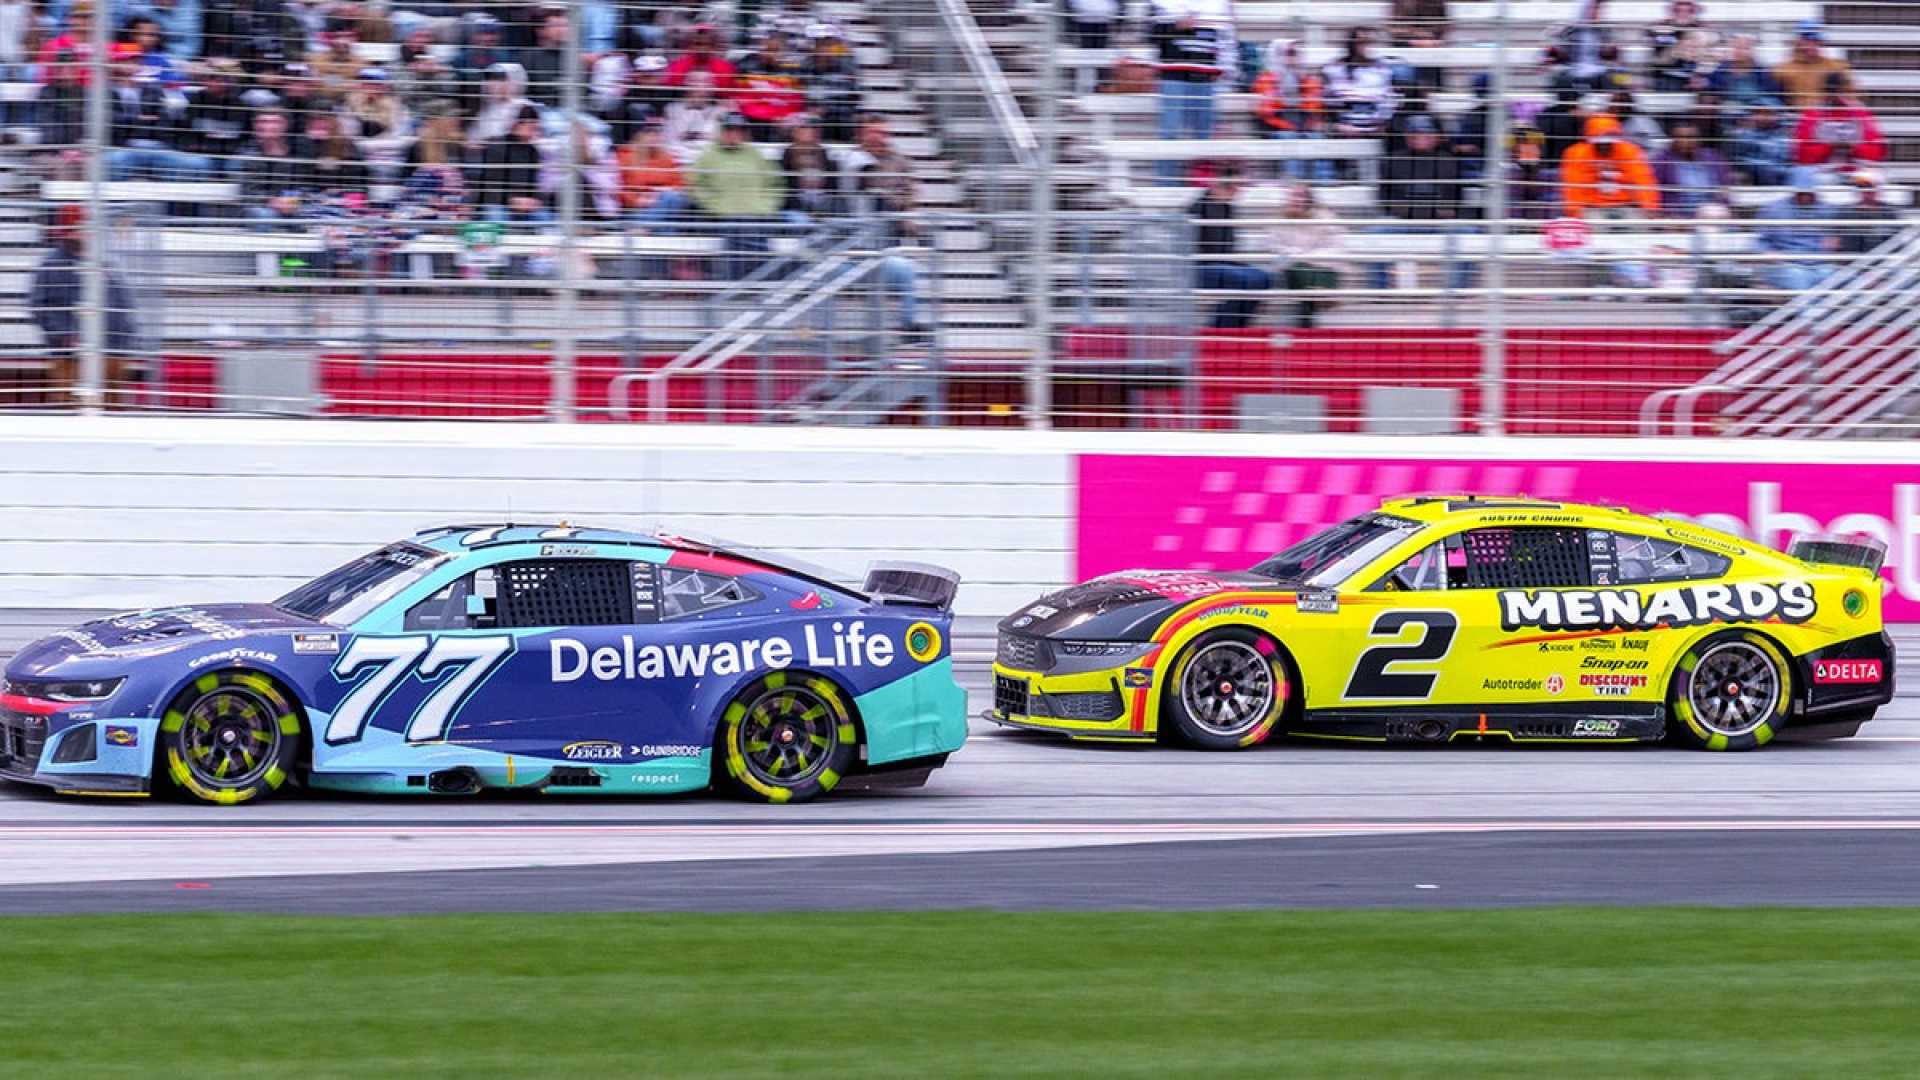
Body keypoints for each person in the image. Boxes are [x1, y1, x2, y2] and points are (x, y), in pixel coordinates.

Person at [29, 206, 139, 408]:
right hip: (71, 353)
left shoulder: (105, 261)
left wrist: (126, 334)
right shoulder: (52, 264)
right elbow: (39, 306)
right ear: (68, 231)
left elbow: (123, 300)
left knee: (113, 407)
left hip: (112, 348)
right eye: (80, 227)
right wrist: (64, 335)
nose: (87, 232)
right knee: (71, 407)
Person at [1374, 114, 1468, 291]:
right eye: (1415, 133)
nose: (1421, 137)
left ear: (1436, 136)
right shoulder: (1392, 161)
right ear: (1407, 136)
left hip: (1438, 222)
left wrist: (1440, 211)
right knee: (1374, 234)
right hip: (1403, 220)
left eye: (1427, 133)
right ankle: (1378, 291)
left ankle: (1457, 291)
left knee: (1470, 234)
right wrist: (1409, 211)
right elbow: (1384, 198)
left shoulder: (1448, 161)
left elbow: (1457, 199)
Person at [1149, 0, 1234, 182]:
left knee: (1204, 135)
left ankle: (1202, 183)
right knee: (1170, 133)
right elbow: (1151, 36)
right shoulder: (1161, 4)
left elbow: (1225, 38)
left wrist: (1223, 71)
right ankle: (1166, 185)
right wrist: (1176, 26)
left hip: (1205, 76)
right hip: (1173, 75)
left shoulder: (1216, 5)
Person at [691, 113, 782, 279]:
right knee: (741, 232)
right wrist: (715, 205)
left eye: (739, 130)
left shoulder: (755, 155)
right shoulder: (709, 155)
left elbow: (775, 184)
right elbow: (696, 185)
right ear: (722, 131)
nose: (734, 134)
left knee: (753, 232)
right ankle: (744, 283)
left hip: (756, 214)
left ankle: (753, 283)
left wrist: (766, 206)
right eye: (730, 130)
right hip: (722, 216)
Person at [1191, 162, 1270, 329]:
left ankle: (1238, 327)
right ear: (1224, 185)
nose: (1239, 192)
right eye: (1237, 187)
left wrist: (1242, 265)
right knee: (1242, 280)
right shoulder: (1198, 207)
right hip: (1200, 267)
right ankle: (1220, 328)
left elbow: (1228, 250)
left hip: (1222, 265)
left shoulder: (1228, 208)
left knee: (1263, 278)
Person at [1267, 181, 1342, 328]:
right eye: (1292, 196)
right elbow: (1275, 249)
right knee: (1295, 268)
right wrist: (1302, 257)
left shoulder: (1325, 217)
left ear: (1309, 199)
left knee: (1306, 270)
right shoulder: (1277, 221)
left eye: (1300, 195)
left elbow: (1335, 247)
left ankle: (1310, 304)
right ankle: (1318, 296)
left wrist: (1306, 258)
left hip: (1321, 269)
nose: (1295, 199)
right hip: (1293, 272)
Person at [1560, 114, 1659, 219]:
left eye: (1609, 142)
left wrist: (1650, 207)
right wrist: (1574, 213)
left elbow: (1643, 180)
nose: (1604, 146)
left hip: (1627, 206)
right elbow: (1572, 187)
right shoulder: (1575, 154)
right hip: (1591, 208)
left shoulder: (1630, 151)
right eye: (1599, 143)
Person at [1757, 168, 1838, 294]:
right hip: (1787, 263)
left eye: (1809, 192)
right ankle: (1809, 314)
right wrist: (1768, 252)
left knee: (1832, 276)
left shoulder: (1827, 209)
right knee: (1798, 278)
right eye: (1802, 192)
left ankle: (1818, 312)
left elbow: (1833, 237)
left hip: (1818, 263)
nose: (1806, 196)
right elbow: (1761, 241)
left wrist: (1832, 242)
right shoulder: (1773, 210)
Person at [1794, 71, 1887, 170]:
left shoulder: (1861, 113)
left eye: (1842, 91)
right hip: (1821, 172)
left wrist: (1854, 148)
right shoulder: (1812, 114)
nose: (1837, 96)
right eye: (1831, 91)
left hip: (1856, 171)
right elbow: (1802, 154)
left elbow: (1878, 151)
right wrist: (1829, 147)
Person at [474, 105, 548, 224]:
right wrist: (512, 200)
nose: (535, 132)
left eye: (536, 128)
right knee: (497, 216)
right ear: (518, 125)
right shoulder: (497, 146)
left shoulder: (533, 151)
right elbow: (490, 184)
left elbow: (534, 183)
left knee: (544, 217)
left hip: (524, 205)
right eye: (532, 128)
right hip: (498, 203)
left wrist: (534, 200)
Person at [1321, 27, 1396, 140]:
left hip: (1375, 130)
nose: (1366, 46)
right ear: (1351, 44)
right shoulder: (1335, 68)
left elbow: (1388, 99)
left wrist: (1382, 123)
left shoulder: (1381, 69)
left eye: (1369, 42)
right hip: (1344, 130)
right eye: (1361, 42)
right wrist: (1338, 125)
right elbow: (1329, 102)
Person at [619, 117, 693, 229]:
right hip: (639, 209)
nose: (654, 137)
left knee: (671, 198)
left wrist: (658, 194)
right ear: (639, 135)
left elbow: (680, 185)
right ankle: (659, 234)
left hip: (664, 203)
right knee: (668, 217)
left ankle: (645, 228)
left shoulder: (668, 158)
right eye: (648, 132)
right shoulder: (626, 155)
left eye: (657, 133)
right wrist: (638, 200)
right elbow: (619, 187)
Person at [239, 109, 307, 223]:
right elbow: (246, 192)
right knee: (265, 216)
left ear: (285, 125)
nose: (266, 126)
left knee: (303, 216)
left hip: (286, 205)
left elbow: (299, 186)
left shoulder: (294, 152)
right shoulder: (247, 154)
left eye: (274, 121)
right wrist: (272, 201)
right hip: (255, 206)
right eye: (262, 121)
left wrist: (291, 202)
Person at [735, 31, 805, 142]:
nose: (770, 55)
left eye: (775, 51)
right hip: (752, 115)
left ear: (783, 52)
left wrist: (782, 116)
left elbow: (796, 103)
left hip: (781, 118)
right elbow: (740, 96)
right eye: (767, 50)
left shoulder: (793, 70)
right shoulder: (746, 65)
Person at [1653, 120, 1731, 218]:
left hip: (1711, 211)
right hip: (1679, 215)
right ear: (1673, 141)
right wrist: (1668, 215)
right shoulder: (1663, 161)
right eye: (1681, 138)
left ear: (1699, 139)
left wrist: (1723, 203)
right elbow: (1654, 191)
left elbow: (1725, 188)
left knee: (1713, 213)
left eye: (1691, 137)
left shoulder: (1713, 157)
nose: (1687, 142)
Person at [779, 114, 841, 228]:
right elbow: (785, 187)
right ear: (794, 132)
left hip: (823, 204)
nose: (810, 131)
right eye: (804, 128)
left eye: (812, 128)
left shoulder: (824, 153)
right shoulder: (787, 154)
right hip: (796, 206)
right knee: (800, 222)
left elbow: (832, 185)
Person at [1775, 21, 1851, 111]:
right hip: (1795, 118)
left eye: (1816, 41)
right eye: (1807, 40)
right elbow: (1776, 99)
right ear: (1798, 41)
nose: (1812, 45)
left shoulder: (1836, 66)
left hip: (1826, 118)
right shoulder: (1782, 69)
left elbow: (1851, 95)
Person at [802, 26, 860, 143]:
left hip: (843, 114)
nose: (825, 49)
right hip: (820, 117)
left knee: (849, 121)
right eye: (821, 45)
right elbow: (810, 97)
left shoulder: (846, 64)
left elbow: (856, 93)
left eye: (829, 45)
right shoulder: (806, 67)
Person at [664, 68, 725, 163]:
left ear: (712, 87)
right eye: (695, 80)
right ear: (686, 85)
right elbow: (670, 141)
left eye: (705, 81)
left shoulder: (720, 112)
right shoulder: (672, 109)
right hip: (677, 161)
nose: (699, 85)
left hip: (708, 162)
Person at [1730, 101, 1792, 186]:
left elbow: (1786, 164)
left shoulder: (1784, 136)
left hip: (1779, 182)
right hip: (1751, 182)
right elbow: (1738, 160)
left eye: (1768, 113)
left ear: (1777, 116)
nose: (1763, 117)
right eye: (1758, 113)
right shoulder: (1744, 135)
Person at [1839, 170, 1901, 255]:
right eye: (1860, 188)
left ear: (1878, 190)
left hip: (1883, 264)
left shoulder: (1889, 212)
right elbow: (1838, 244)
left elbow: (1897, 245)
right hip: (1852, 264)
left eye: (1868, 188)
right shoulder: (1846, 212)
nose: (1864, 193)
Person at [1721, 34, 1785, 111]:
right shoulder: (1722, 69)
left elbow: (1772, 96)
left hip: (1756, 112)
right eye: (1735, 47)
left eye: (1744, 48)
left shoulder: (1762, 72)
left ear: (1753, 51)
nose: (1738, 51)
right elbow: (1714, 90)